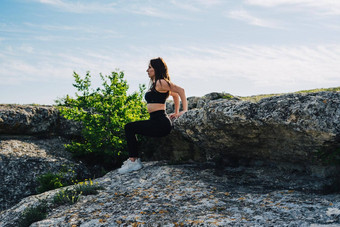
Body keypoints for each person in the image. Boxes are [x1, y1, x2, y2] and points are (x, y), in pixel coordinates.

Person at [118, 57, 188, 174]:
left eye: (150, 67)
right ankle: (134, 160)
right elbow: (175, 95)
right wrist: (175, 111)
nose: (147, 70)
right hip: (156, 121)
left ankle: (134, 161)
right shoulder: (157, 84)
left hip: (160, 123)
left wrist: (183, 110)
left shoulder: (161, 82)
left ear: (156, 68)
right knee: (130, 128)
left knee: (129, 127)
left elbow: (181, 90)